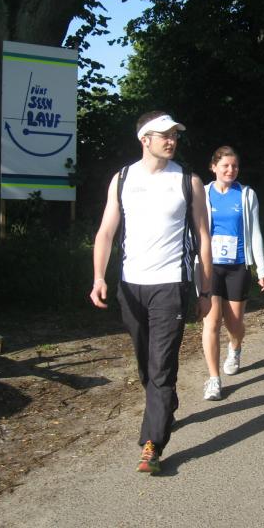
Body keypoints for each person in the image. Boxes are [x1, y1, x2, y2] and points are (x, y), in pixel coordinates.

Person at [90, 111, 213, 474]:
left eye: (175, 134)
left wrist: (205, 289)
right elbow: (106, 232)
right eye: (164, 134)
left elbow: (203, 237)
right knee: (146, 363)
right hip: (131, 285)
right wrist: (99, 277)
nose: (171, 140)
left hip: (170, 285)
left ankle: (152, 444)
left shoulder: (188, 181)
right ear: (145, 139)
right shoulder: (123, 179)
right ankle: (165, 404)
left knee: (162, 365)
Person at [201, 146, 264, 401]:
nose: (230, 170)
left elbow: (256, 233)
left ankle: (235, 347)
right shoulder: (203, 193)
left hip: (238, 265)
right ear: (214, 167)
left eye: (235, 166)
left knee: (235, 323)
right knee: (211, 322)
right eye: (225, 166)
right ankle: (214, 379)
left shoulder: (246, 194)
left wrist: (261, 268)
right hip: (209, 267)